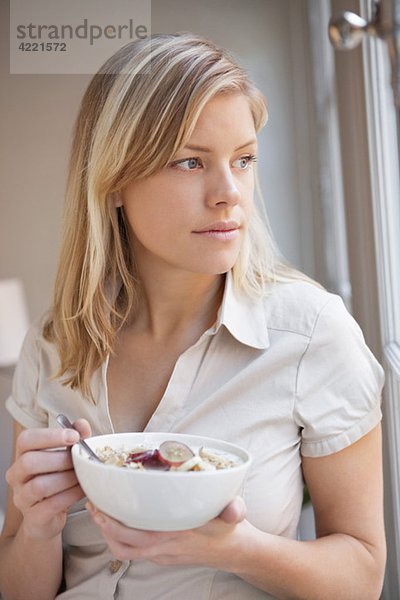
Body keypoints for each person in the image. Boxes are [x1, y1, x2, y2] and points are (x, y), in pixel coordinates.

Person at [0, 33, 386, 600]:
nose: (230, 193)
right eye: (189, 162)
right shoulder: (54, 344)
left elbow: (364, 574)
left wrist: (230, 548)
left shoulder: (311, 336)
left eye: (244, 159)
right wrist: (37, 527)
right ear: (112, 182)